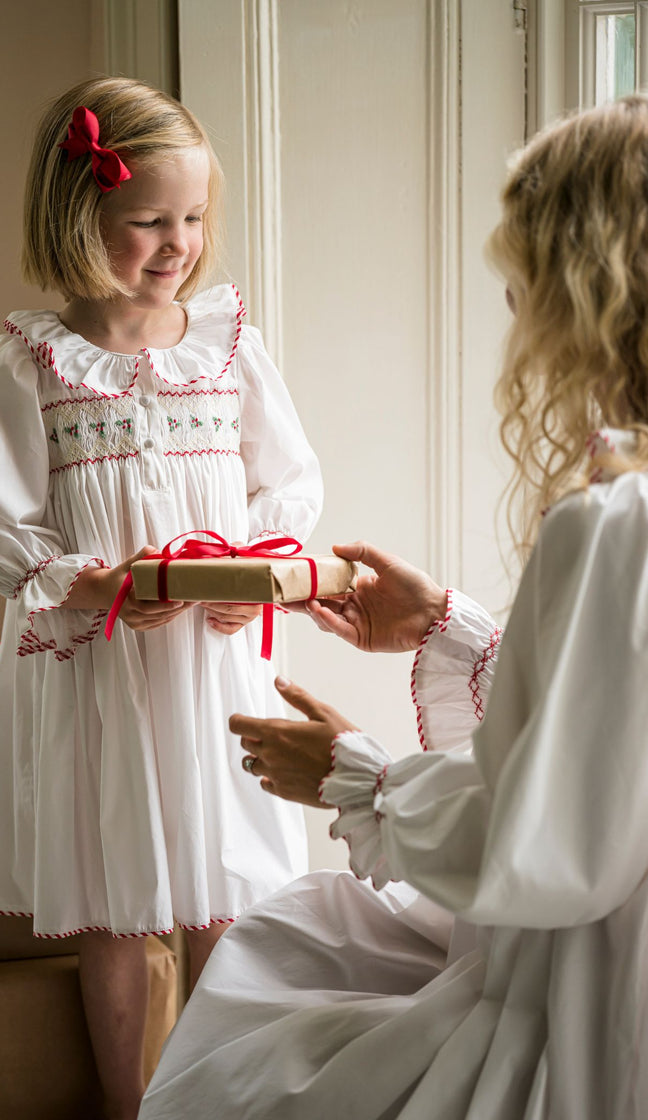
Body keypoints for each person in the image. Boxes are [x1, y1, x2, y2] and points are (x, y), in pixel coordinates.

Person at [138, 96, 648, 1119]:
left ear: (586, 293)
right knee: (301, 935)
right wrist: (454, 630)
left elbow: (559, 841)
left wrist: (358, 779)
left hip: (597, 992)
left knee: (252, 1033)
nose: (511, 309)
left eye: (520, 278)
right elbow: (613, 732)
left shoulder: (613, 523)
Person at [0, 77, 322, 1120]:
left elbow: (289, 483)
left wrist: (249, 569)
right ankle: (131, 1101)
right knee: (115, 903)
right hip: (102, 664)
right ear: (81, 217)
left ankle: (212, 1096)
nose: (179, 245)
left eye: (193, 219)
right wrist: (94, 585)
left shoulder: (226, 346)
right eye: (150, 221)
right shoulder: (34, 363)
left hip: (211, 658)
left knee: (223, 886)